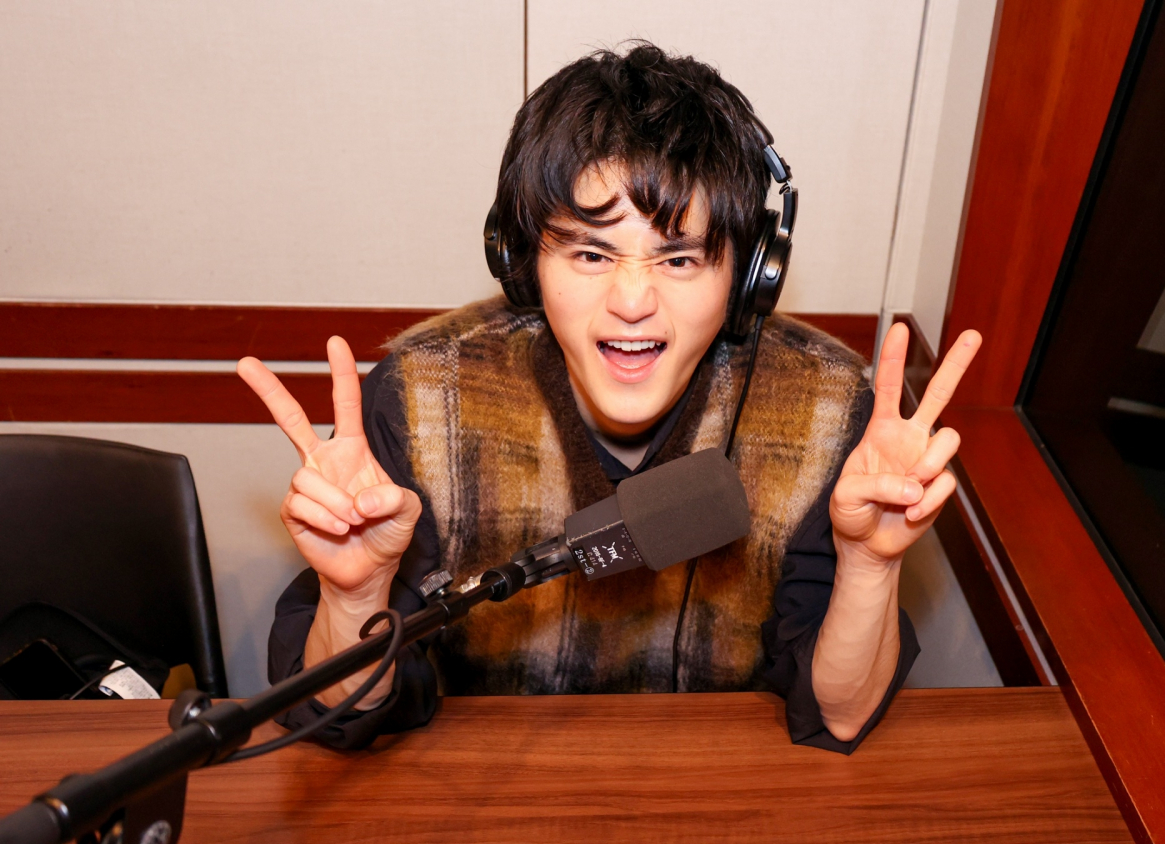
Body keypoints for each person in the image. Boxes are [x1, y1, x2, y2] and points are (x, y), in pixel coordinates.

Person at [237, 43, 981, 752]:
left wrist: (869, 564)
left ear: (748, 277)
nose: (632, 301)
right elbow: (343, 721)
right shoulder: (424, 401)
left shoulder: (825, 412)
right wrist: (356, 597)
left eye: (679, 258)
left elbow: (840, 717)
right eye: (591, 253)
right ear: (523, 262)